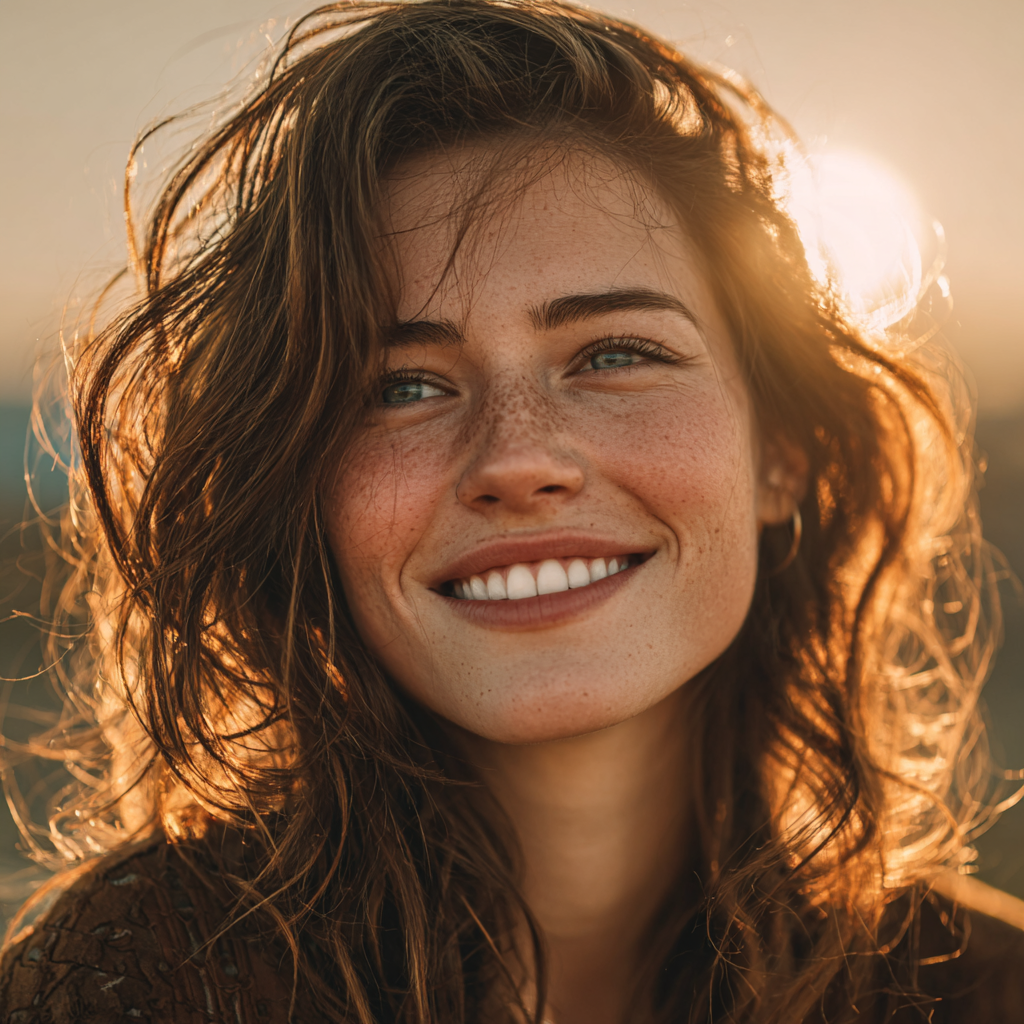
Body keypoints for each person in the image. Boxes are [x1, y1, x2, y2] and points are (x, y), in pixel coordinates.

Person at [1, 1, 1022, 1021]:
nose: (517, 458)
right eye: (401, 386)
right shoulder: (140, 979)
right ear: (300, 489)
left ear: (783, 454)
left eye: (616, 355)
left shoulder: (983, 990)